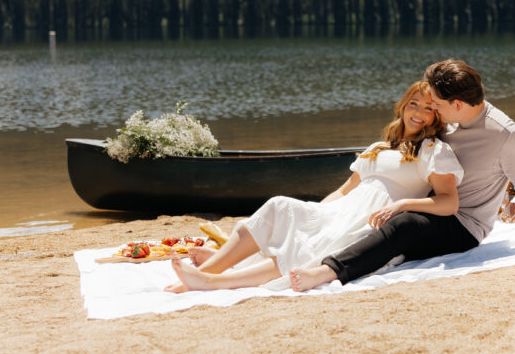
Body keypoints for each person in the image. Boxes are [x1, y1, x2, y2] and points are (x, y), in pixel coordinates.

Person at [289, 59, 515, 292]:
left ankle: (326, 272)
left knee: (403, 225)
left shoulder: (507, 136)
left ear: (457, 104)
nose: (431, 109)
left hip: (461, 223)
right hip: (425, 200)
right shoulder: (446, 121)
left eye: (436, 104)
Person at [165, 80, 462, 292]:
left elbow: (449, 202)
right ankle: (206, 270)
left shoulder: (433, 150)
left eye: (428, 108)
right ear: (403, 106)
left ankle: (211, 281)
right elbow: (345, 190)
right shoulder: (378, 147)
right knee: (280, 206)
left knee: (309, 243)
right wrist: (314, 212)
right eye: (414, 104)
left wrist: (402, 205)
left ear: (436, 116)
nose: (419, 112)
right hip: (342, 211)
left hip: (370, 221)